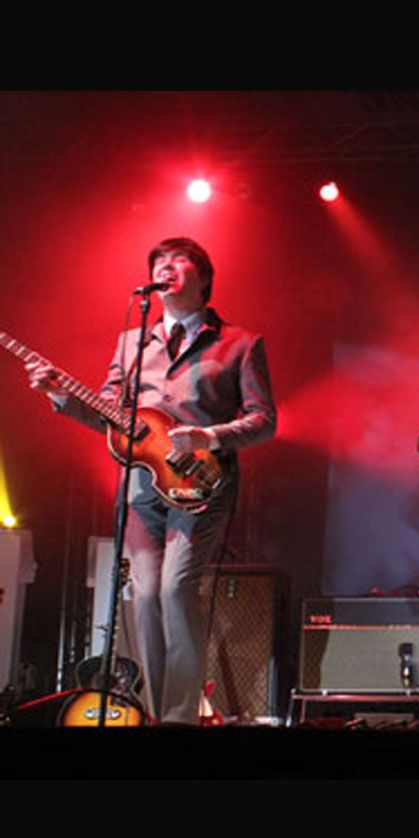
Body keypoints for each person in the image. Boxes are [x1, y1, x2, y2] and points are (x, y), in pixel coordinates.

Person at [26, 237, 276, 725]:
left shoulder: (241, 343)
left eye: (178, 260)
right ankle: (158, 716)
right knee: (143, 597)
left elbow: (264, 420)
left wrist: (209, 437)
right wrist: (60, 396)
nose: (166, 267)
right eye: (159, 261)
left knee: (175, 589)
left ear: (204, 277)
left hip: (201, 485)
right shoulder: (132, 341)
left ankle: (180, 717)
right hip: (141, 488)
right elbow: (108, 415)